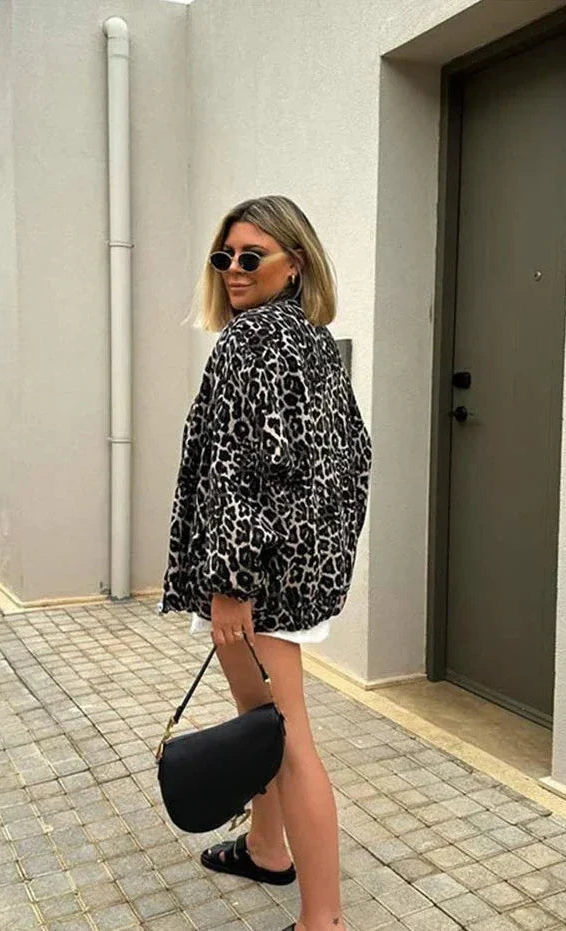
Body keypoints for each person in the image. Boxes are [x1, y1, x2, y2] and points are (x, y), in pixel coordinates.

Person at [158, 195, 372, 931]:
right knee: (264, 724)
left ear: (294, 263)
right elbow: (354, 457)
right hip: (297, 574)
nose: (234, 269)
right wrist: (323, 552)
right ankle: (267, 847)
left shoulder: (249, 341)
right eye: (224, 256)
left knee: (288, 737)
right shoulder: (313, 340)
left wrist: (232, 582)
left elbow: (243, 472)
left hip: (257, 582)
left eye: (252, 256)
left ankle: (323, 920)